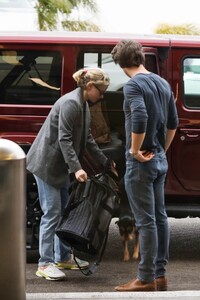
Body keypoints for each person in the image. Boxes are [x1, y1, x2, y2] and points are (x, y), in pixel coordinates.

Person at [26, 67, 113, 281]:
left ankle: (62, 257)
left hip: (59, 166)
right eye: (101, 91)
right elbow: (64, 139)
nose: (102, 96)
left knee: (65, 212)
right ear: (90, 86)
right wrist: (77, 168)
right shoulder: (71, 103)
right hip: (46, 165)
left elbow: (88, 139)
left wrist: (105, 162)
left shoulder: (82, 103)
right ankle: (45, 263)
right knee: (52, 213)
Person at [111, 40, 178, 292]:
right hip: (159, 159)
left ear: (121, 64)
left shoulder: (133, 85)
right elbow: (173, 122)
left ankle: (145, 278)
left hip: (141, 164)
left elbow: (139, 117)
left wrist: (135, 150)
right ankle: (159, 275)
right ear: (140, 58)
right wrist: (162, 150)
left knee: (146, 221)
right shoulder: (162, 83)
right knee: (160, 218)